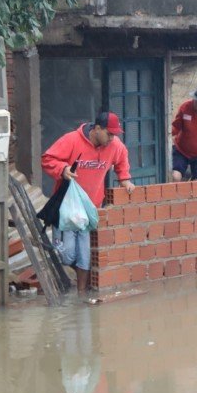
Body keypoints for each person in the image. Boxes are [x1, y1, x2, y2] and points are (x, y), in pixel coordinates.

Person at [42, 111, 135, 293]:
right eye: (109, 134)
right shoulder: (72, 140)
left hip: (90, 209)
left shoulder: (114, 145)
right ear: (97, 129)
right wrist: (63, 169)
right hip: (66, 208)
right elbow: (47, 159)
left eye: (115, 135)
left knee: (84, 256)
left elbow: (122, 158)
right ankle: (68, 269)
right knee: (67, 255)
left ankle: (81, 295)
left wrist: (125, 179)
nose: (112, 138)